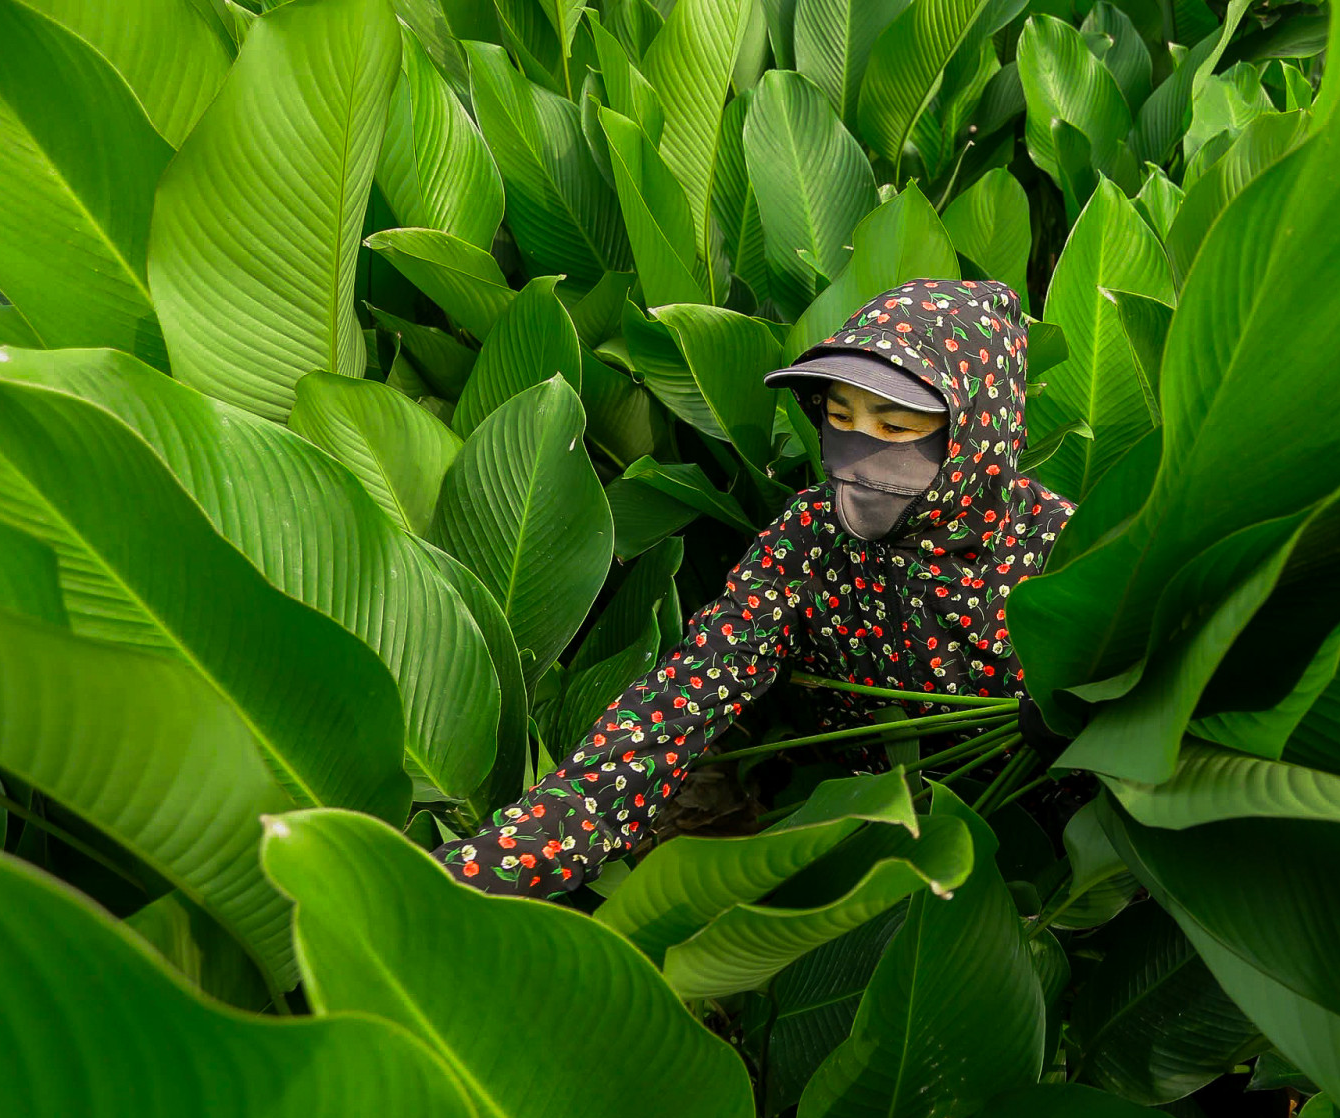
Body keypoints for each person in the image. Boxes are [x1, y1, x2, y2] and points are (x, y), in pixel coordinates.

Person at [434, 278, 1075, 899]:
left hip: (1041, 868)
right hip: (854, 842)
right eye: (839, 417)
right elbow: (680, 703)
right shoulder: (813, 535)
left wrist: (1083, 723)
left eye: (895, 428)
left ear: (974, 434)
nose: (855, 455)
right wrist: (482, 870)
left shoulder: (1065, 551)